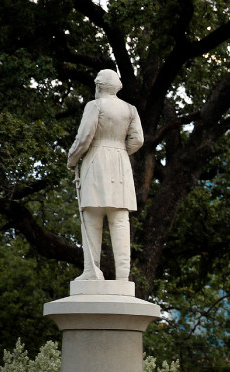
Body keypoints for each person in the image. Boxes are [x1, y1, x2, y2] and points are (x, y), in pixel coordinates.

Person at [67, 69, 143, 281]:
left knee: (92, 219)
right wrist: (119, 150)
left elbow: (84, 138)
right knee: (120, 221)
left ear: (99, 85)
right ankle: (123, 278)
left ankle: (92, 271)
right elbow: (138, 140)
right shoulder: (130, 109)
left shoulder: (95, 106)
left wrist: (72, 159)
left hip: (96, 161)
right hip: (120, 164)